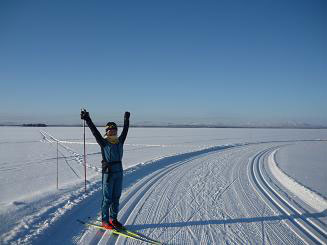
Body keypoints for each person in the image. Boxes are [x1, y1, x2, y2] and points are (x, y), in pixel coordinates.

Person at [81, 109, 130, 230]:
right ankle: (104, 220)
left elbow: (125, 130)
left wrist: (126, 120)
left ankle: (113, 219)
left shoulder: (120, 141)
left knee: (116, 197)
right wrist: (88, 119)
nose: (113, 132)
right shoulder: (103, 142)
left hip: (119, 172)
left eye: (114, 130)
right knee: (107, 198)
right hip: (108, 173)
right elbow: (95, 132)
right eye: (110, 130)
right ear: (107, 132)